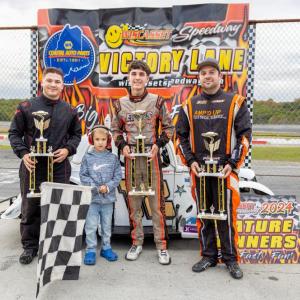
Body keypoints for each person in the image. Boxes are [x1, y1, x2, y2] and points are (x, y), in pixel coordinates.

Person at [176, 58, 251, 279]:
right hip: (199, 170)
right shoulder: (189, 105)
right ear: (199, 78)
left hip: (226, 171)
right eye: (203, 73)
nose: (207, 76)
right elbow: (180, 137)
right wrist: (191, 161)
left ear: (220, 77)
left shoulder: (236, 101)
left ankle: (230, 259)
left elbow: (245, 135)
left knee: (226, 215)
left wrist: (232, 164)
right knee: (204, 214)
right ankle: (208, 255)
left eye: (212, 72)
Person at [8, 67, 82, 264]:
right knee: (30, 207)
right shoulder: (26, 106)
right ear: (42, 82)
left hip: (58, 166)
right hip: (32, 166)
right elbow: (14, 134)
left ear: (62, 85)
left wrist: (67, 150)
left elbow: (77, 135)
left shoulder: (69, 110)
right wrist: (23, 153)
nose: (53, 85)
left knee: (58, 206)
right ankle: (30, 247)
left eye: (57, 81)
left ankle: (53, 247)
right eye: (50, 80)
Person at [111, 60, 174, 265]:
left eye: (141, 74)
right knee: (134, 205)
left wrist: (159, 145)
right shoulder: (119, 104)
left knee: (156, 206)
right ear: (128, 78)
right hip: (131, 160)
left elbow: (169, 128)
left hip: (151, 158)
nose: (137, 77)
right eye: (134, 74)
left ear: (147, 78)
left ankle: (161, 246)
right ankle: (136, 242)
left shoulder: (157, 101)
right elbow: (115, 130)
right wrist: (123, 146)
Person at [79, 125, 122, 265]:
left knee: (106, 225)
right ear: (92, 140)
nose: (100, 142)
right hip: (92, 200)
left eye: (103, 139)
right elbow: (83, 176)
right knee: (91, 226)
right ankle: (90, 250)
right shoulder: (87, 157)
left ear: (108, 140)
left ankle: (106, 248)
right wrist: (97, 188)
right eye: (97, 139)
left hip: (108, 200)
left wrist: (107, 187)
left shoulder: (113, 158)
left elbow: (117, 176)